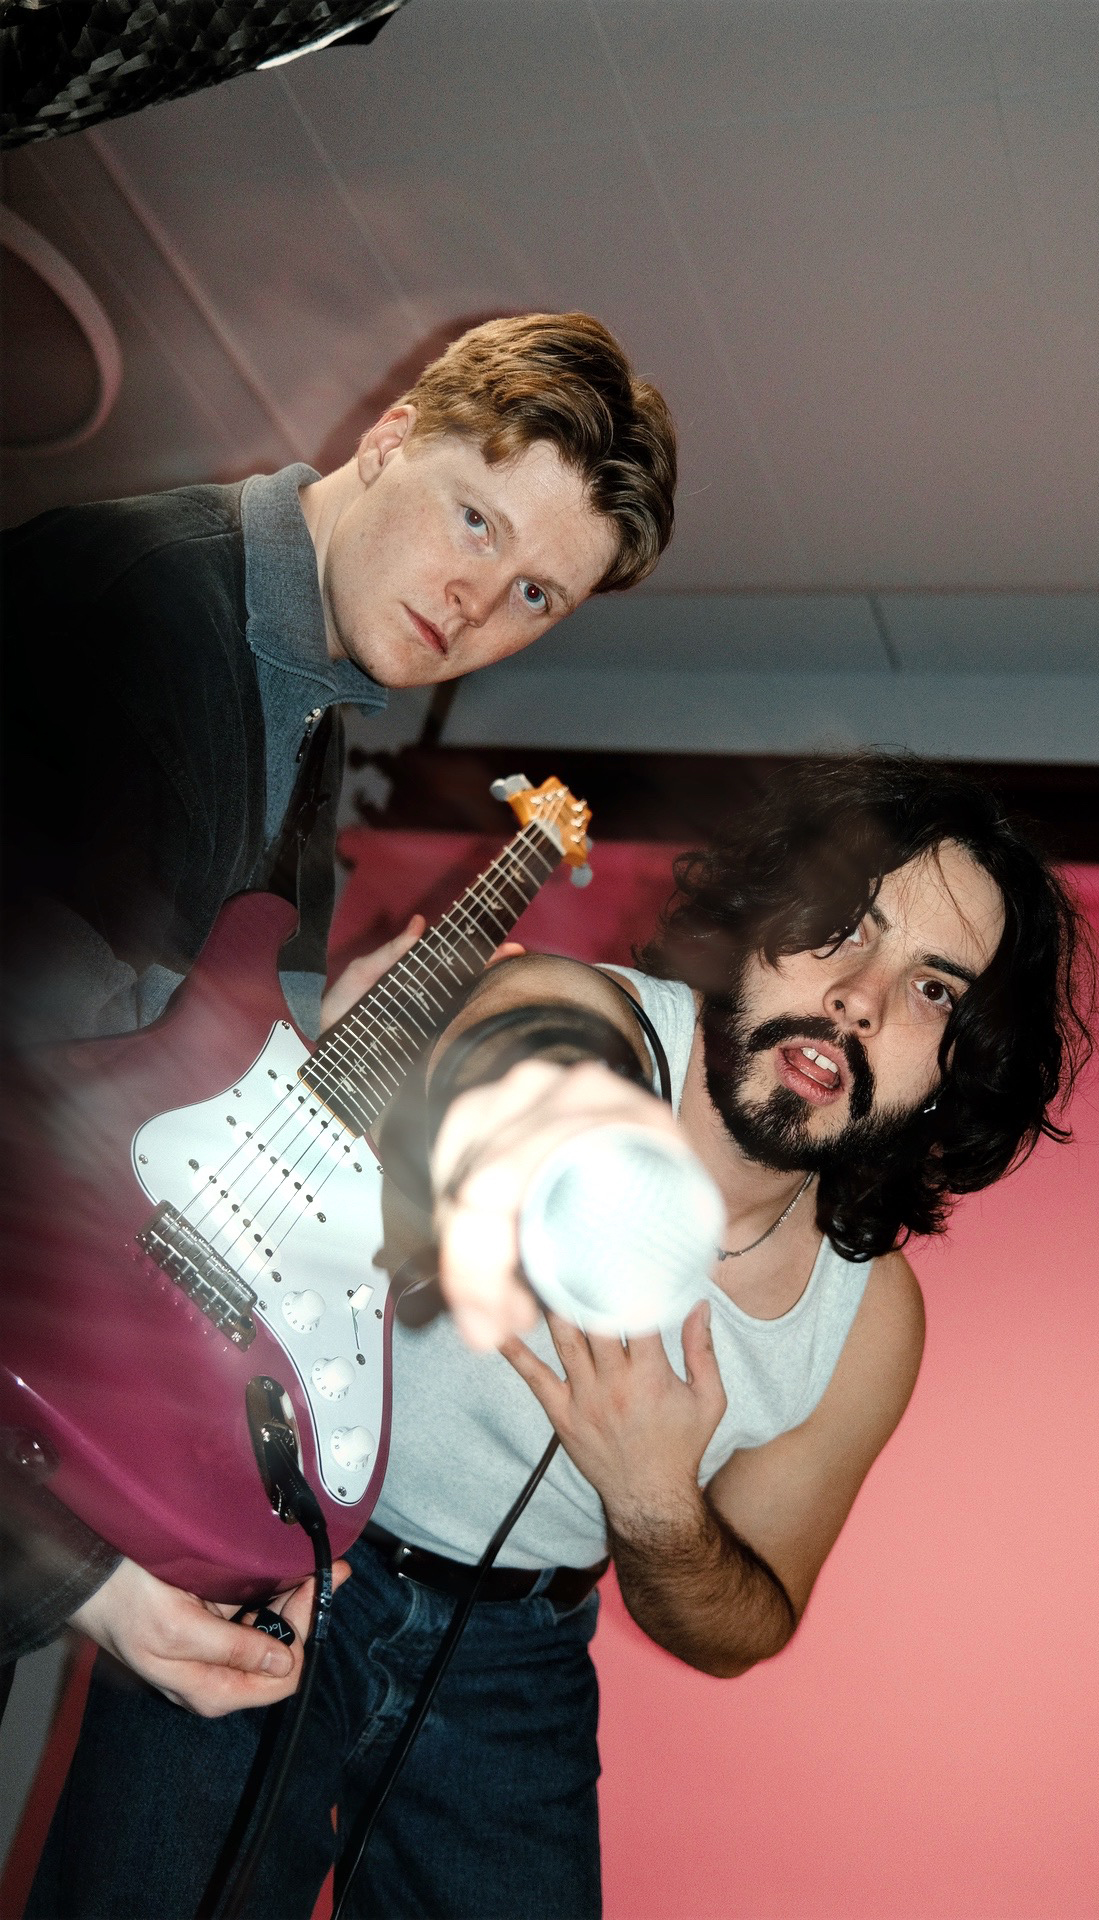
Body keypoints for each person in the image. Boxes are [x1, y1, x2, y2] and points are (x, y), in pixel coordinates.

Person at [26, 752, 1097, 1920]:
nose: (859, 998)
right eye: (841, 926)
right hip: (272, 1551)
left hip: (515, 1665)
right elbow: (529, 1031)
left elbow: (740, 1626)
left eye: (932, 990)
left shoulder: (869, 1318)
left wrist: (653, 1498)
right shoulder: (605, 1014)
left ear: (949, 1073)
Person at [0, 310, 679, 1704]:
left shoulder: (304, 725)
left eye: (536, 593)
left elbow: (125, 1092)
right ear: (390, 438)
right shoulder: (118, 610)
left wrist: (310, 1043)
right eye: (476, 519)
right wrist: (63, 1577)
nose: (477, 603)